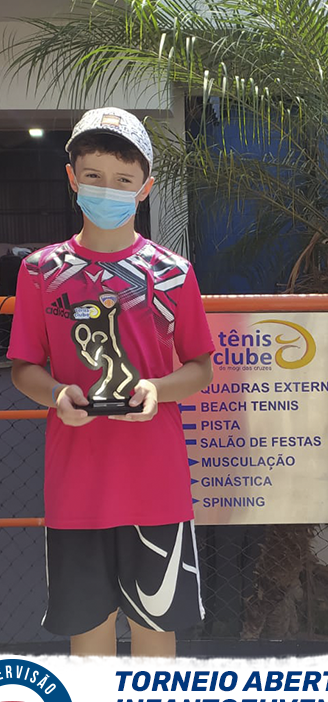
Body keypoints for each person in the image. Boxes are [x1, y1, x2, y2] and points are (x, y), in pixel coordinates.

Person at [8, 107, 214, 657]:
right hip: (77, 487)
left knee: (156, 632)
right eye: (94, 175)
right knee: (89, 636)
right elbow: (24, 367)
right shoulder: (40, 271)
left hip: (157, 486)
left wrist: (157, 390)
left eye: (123, 179)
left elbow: (200, 366)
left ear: (145, 188)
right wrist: (57, 395)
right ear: (72, 178)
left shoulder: (173, 272)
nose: (108, 189)